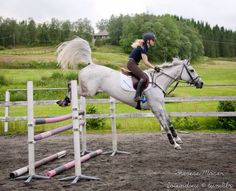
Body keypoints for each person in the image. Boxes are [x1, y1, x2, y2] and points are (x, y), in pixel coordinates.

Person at [127, 32, 160, 102]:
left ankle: (141, 94)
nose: (154, 41)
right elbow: (145, 62)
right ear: (148, 41)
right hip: (132, 64)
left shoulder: (144, 47)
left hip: (133, 63)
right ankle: (137, 97)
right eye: (153, 40)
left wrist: (154, 67)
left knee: (144, 76)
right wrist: (154, 67)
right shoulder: (143, 48)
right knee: (144, 78)